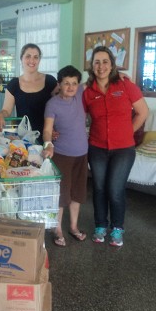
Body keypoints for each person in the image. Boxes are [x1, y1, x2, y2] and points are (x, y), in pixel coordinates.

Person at [83, 46, 149, 247]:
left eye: (105, 61)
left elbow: (143, 112)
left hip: (123, 149)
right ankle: (100, 226)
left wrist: (128, 132)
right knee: (99, 188)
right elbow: (78, 117)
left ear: (111, 64)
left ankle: (117, 228)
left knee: (115, 188)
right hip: (97, 147)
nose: (101, 66)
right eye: (96, 62)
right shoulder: (88, 92)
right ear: (92, 66)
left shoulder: (125, 85)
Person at [42, 65, 88, 247]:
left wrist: (122, 75)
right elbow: (47, 130)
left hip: (82, 154)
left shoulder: (80, 94)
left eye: (74, 83)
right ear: (59, 84)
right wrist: (48, 144)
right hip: (61, 154)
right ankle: (57, 229)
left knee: (78, 193)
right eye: (66, 83)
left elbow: (98, 76)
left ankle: (74, 227)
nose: (70, 87)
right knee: (61, 195)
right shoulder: (52, 104)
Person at [0, 43, 58, 139]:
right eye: (28, 56)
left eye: (36, 57)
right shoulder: (14, 84)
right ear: (21, 59)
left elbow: (60, 105)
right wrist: (0, 115)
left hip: (48, 136)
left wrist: (56, 126)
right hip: (24, 138)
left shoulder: (50, 81)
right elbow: (6, 110)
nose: (32, 60)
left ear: (39, 60)